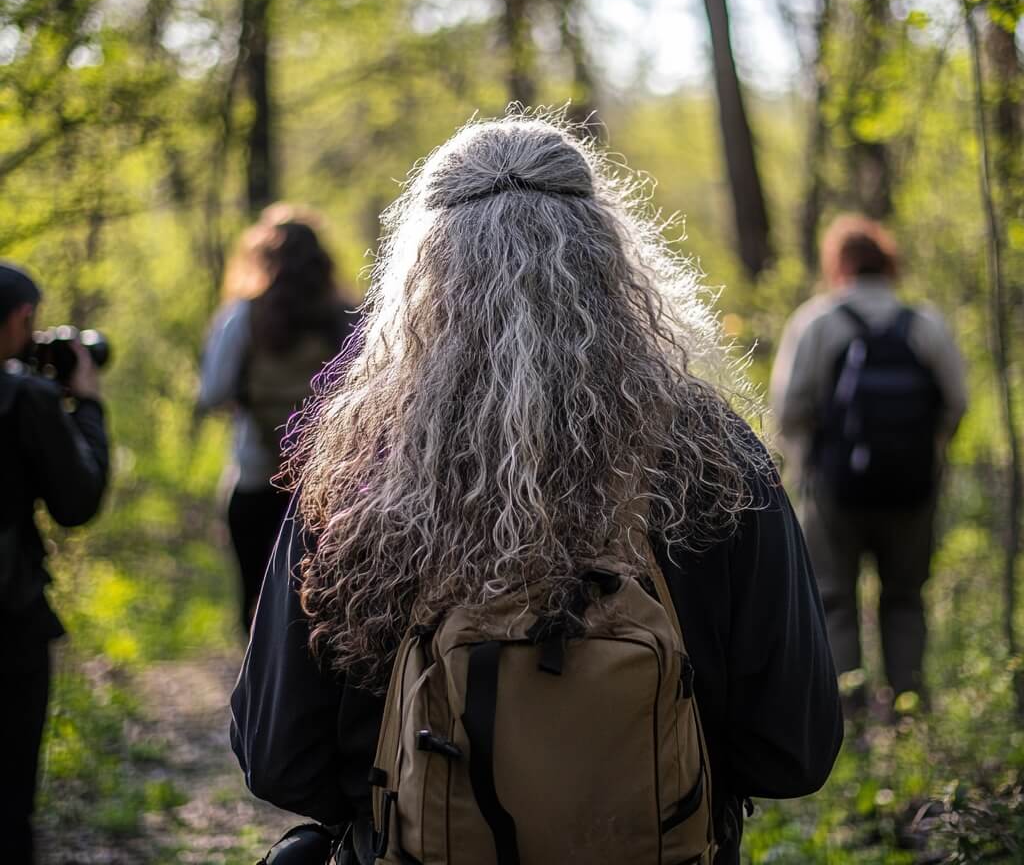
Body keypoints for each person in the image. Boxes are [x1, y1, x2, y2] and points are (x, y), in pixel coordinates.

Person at [231, 115, 843, 864]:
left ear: (423, 275)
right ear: (610, 260)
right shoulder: (709, 453)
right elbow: (795, 748)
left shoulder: (360, 457)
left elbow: (277, 756)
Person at [770, 215, 967, 711]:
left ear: (838, 264)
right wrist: (930, 453)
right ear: (888, 262)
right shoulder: (925, 323)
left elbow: (789, 409)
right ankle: (909, 711)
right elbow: (957, 401)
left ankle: (848, 719)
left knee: (834, 599)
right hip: (913, 489)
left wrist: (806, 466)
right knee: (905, 598)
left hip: (835, 490)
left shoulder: (816, 322)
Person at [198, 204, 358, 633]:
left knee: (254, 604)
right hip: (332, 492)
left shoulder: (241, 317)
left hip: (255, 478)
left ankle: (253, 694)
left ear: (262, 256)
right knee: (321, 608)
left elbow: (211, 392)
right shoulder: (347, 318)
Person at [0, 263, 109, 865]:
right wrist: (86, 405)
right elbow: (77, 501)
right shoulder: (25, 400)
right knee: (9, 796)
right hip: (9, 621)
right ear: (20, 319)